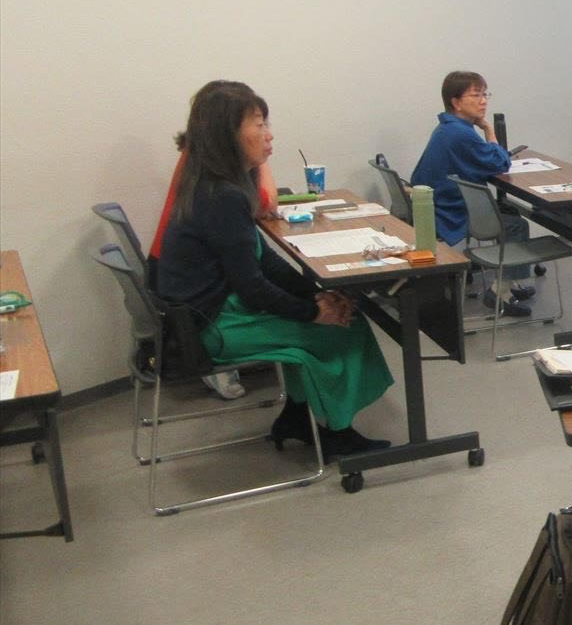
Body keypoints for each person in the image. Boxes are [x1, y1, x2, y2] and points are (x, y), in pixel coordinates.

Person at [156, 82, 394, 456]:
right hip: (210, 328)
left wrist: (316, 294)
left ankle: (298, 416)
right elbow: (253, 286)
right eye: (259, 124)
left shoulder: (217, 185)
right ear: (228, 135)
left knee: (327, 319)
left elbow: (264, 260)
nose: (269, 134)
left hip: (208, 312)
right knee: (343, 329)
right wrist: (314, 311)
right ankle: (338, 432)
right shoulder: (222, 197)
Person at [148, 81, 280, 400]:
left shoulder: (200, 163)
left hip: (177, 278)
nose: (267, 133)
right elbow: (266, 202)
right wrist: (258, 159)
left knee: (278, 284)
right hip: (197, 302)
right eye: (257, 123)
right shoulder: (217, 185)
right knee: (320, 325)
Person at [410, 71, 535, 317]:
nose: (483, 101)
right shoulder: (460, 133)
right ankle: (500, 292)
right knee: (516, 226)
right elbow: (500, 162)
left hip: (441, 204)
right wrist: (488, 128)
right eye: (476, 95)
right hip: (451, 212)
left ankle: (510, 282)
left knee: (508, 212)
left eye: (485, 94)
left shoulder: (449, 127)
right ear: (456, 102)